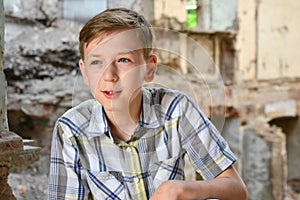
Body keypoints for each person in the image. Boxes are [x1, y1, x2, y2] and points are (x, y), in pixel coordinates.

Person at [49, 7, 247, 200]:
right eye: (96, 63)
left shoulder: (175, 109)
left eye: (123, 60)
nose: (109, 76)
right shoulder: (70, 130)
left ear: (149, 69)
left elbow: (236, 189)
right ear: (84, 71)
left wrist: (183, 190)